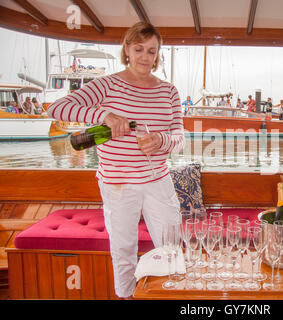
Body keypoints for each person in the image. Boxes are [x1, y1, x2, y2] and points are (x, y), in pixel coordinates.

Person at [47, 22, 184, 299]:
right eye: (139, 49)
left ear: (158, 54)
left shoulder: (169, 91)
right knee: (123, 251)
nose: (145, 57)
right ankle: (125, 296)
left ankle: (175, 296)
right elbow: (56, 107)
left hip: (159, 181)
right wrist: (104, 117)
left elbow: (179, 137)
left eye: (151, 51)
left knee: (172, 249)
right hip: (118, 183)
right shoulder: (107, 84)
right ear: (127, 49)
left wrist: (161, 141)